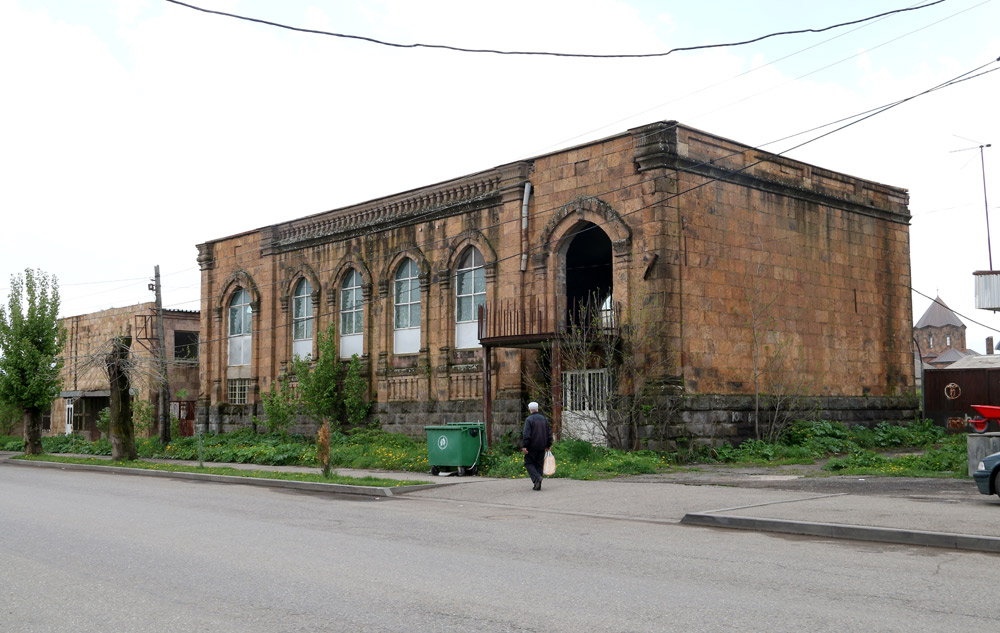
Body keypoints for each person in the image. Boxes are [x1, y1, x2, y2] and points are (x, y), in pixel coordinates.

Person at [521, 401, 553, 491]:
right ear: (538, 408)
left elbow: (526, 434)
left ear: (529, 409)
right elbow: (548, 433)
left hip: (532, 446)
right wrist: (548, 444)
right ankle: (537, 484)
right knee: (539, 464)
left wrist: (525, 446)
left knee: (528, 463)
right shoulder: (544, 419)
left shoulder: (529, 420)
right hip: (542, 445)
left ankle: (537, 478)